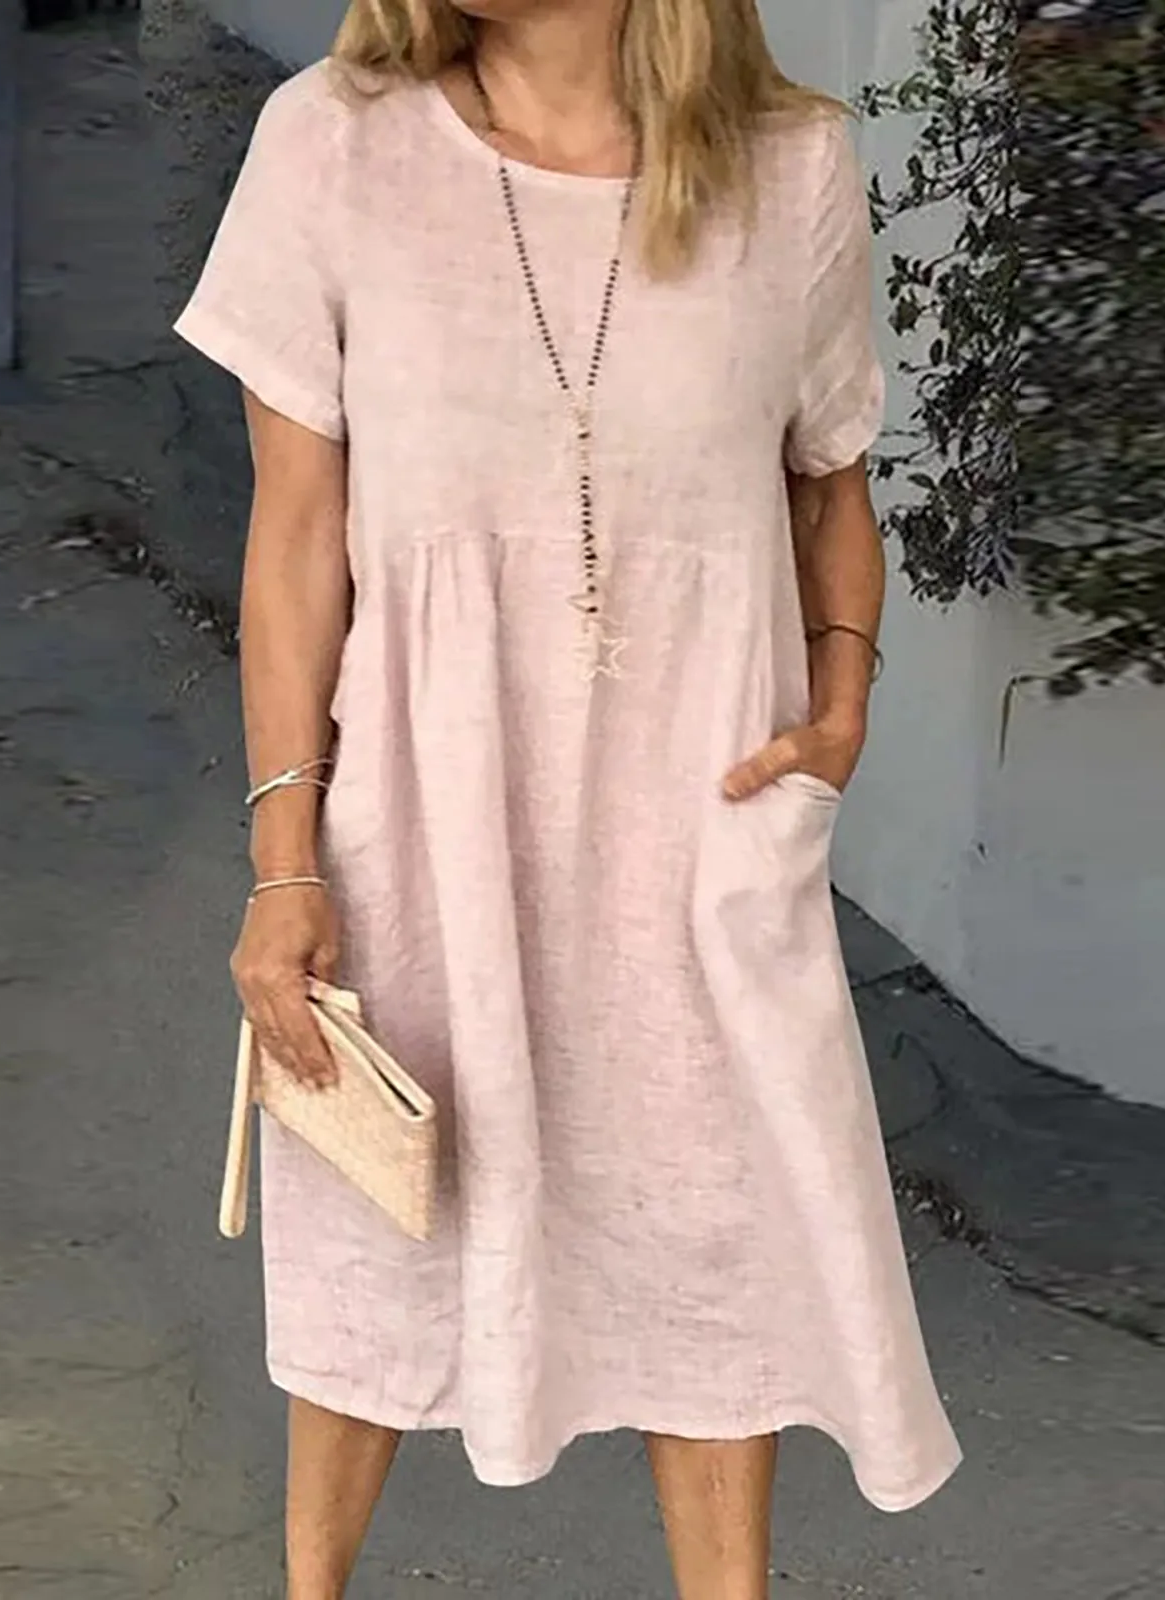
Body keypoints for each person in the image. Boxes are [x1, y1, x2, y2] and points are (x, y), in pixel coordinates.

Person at [173, 1, 963, 1594]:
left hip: (697, 820)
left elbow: (830, 478)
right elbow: (295, 537)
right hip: (427, 806)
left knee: (714, 1226)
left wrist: (843, 701)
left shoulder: (791, 167)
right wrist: (284, 859)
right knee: (382, 1218)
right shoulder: (335, 142)